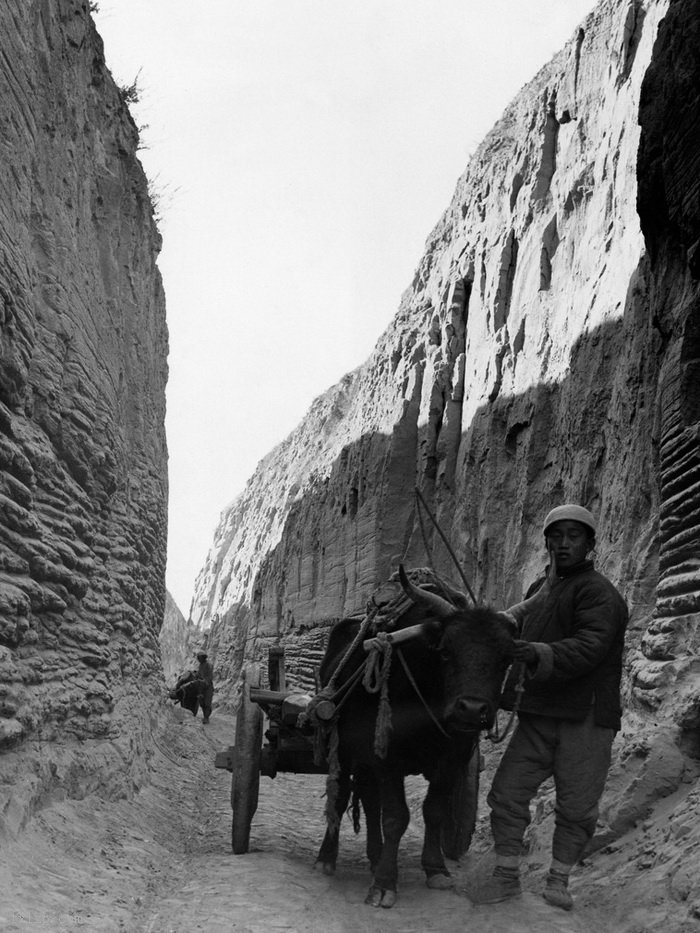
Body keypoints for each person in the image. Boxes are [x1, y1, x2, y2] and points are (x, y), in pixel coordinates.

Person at [475, 504, 628, 911]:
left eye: (573, 536)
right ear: (546, 542)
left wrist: (537, 652)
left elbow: (590, 647)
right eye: (555, 536)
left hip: (586, 717)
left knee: (576, 807)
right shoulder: (537, 592)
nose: (563, 544)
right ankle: (506, 875)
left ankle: (559, 879)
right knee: (507, 794)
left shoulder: (599, 593)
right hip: (539, 714)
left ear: (590, 544)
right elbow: (515, 647)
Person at [196, 651, 214, 724]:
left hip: (208, 687)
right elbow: (199, 674)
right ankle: (205, 716)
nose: (198, 659)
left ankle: (206, 717)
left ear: (203, 658)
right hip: (201, 687)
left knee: (207, 702)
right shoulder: (200, 666)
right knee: (202, 702)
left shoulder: (208, 665)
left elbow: (210, 676)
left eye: (200, 658)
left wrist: (205, 681)